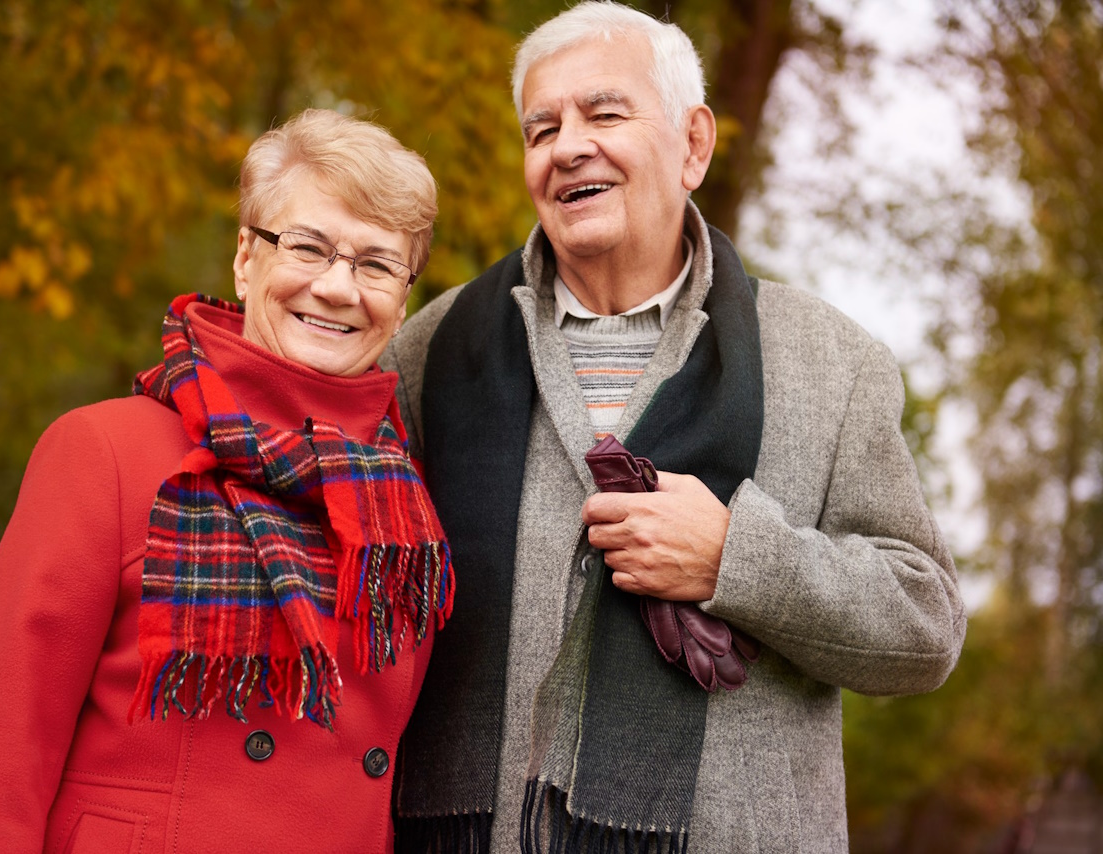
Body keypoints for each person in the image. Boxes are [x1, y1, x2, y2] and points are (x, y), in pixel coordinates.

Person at [381, 3, 967, 852]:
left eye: (604, 113)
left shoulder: (830, 362)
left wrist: (737, 558)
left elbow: (924, 628)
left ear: (694, 144)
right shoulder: (431, 351)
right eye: (541, 129)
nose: (567, 145)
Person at [0, 108, 452, 854]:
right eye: (308, 247)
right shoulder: (103, 453)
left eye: (375, 264)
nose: (339, 288)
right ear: (246, 257)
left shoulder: (405, 505)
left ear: (402, 298)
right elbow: (0, 765)